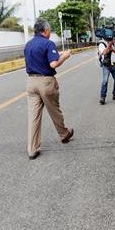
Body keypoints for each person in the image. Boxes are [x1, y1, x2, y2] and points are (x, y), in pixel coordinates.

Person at [24, 19, 75, 160]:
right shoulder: (48, 43)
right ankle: (64, 134)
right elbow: (53, 63)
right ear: (45, 30)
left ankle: (32, 149)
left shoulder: (28, 45)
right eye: (49, 30)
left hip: (31, 82)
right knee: (54, 111)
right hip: (45, 82)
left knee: (33, 117)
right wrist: (64, 56)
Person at [98, 34, 115, 104]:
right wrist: (109, 45)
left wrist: (112, 48)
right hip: (106, 66)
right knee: (105, 81)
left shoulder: (113, 43)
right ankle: (102, 97)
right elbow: (104, 53)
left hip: (114, 64)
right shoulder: (101, 44)